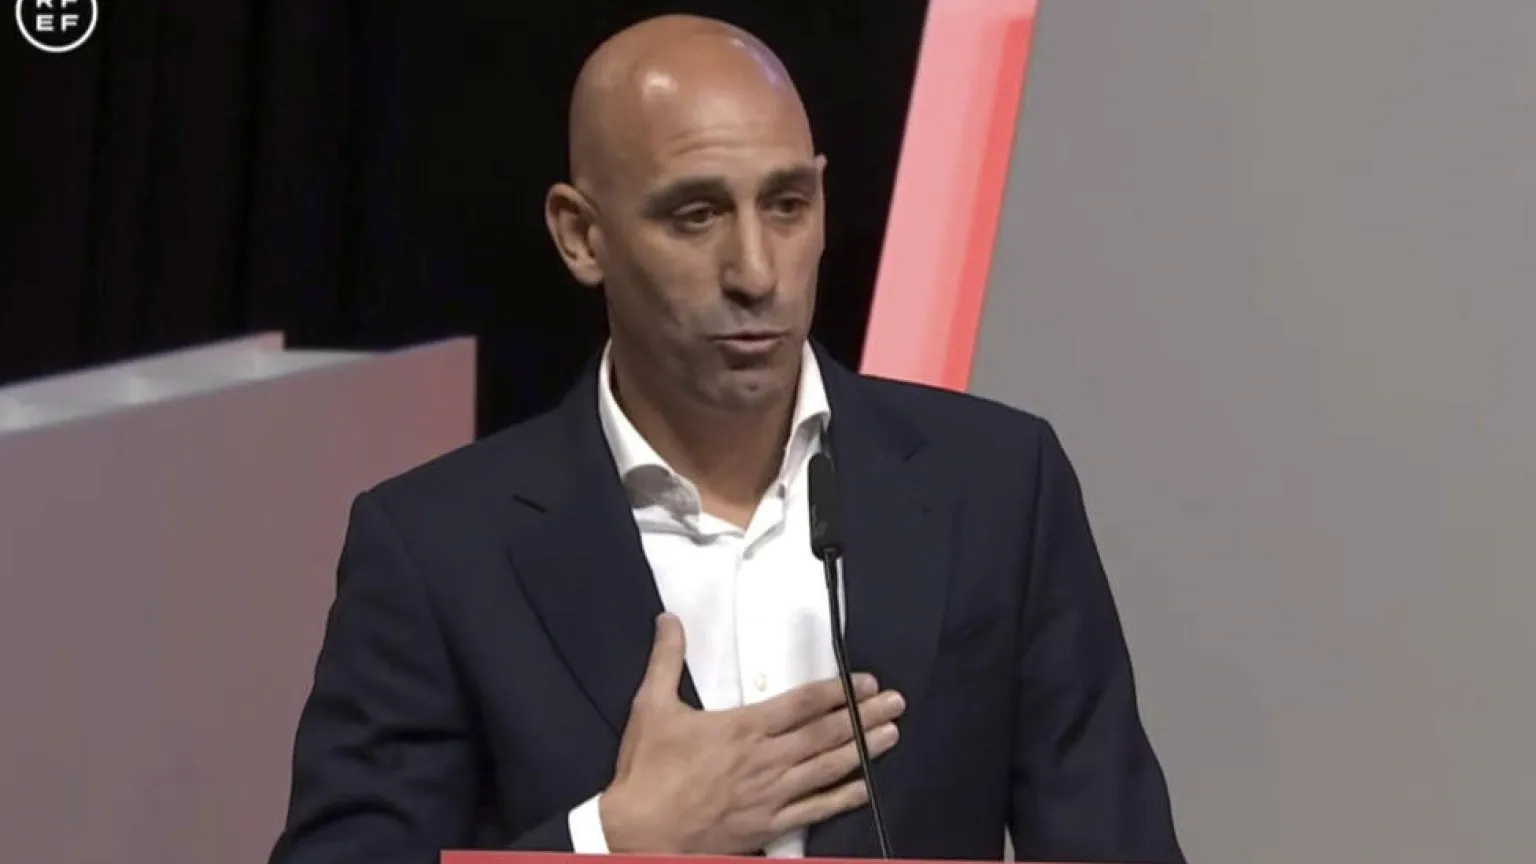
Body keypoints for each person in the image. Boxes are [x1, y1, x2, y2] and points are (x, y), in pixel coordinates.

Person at [268, 13, 1184, 864]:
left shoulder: (1000, 487)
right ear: (581, 236)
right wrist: (611, 840)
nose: (756, 272)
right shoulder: (436, 551)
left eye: (786, 205)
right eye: (696, 215)